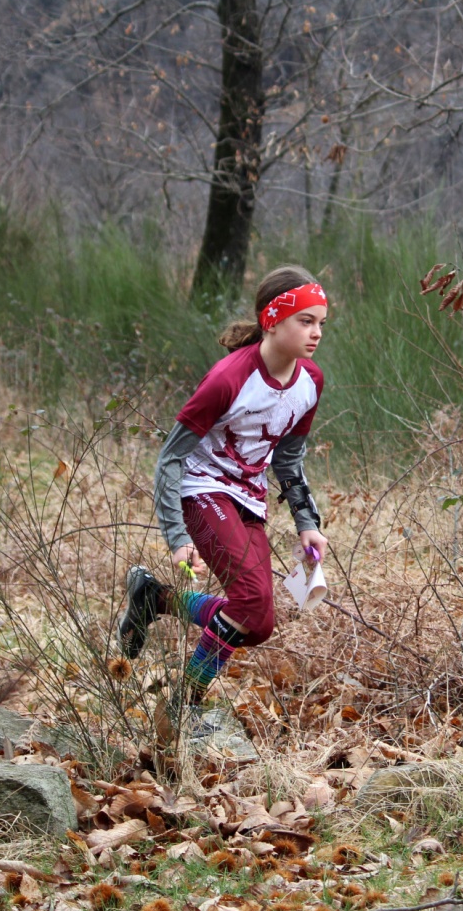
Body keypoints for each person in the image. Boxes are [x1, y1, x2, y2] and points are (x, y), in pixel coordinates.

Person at [116, 265, 329, 737]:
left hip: (248, 498)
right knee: (249, 602)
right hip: (202, 488)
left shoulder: (310, 381)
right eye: (305, 321)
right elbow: (170, 459)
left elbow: (288, 461)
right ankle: (183, 707)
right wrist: (177, 536)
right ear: (272, 320)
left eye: (321, 323)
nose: (316, 333)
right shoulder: (229, 378)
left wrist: (306, 523)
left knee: (258, 623)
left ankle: (155, 599)